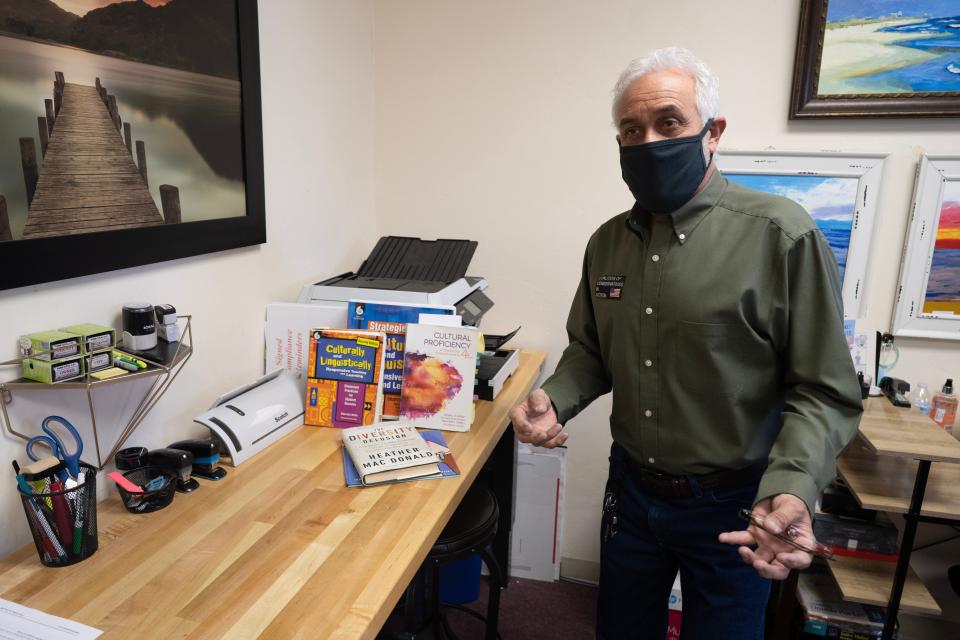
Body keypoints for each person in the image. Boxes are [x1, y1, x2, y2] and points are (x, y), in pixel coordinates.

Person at [508, 47, 863, 640]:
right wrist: (555, 400)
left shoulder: (781, 235)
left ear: (713, 132)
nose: (647, 141)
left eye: (668, 122)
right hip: (632, 495)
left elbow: (824, 391)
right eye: (630, 130)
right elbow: (590, 350)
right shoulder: (607, 243)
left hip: (736, 504)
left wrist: (793, 487)